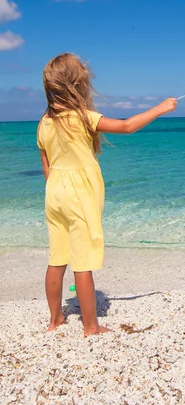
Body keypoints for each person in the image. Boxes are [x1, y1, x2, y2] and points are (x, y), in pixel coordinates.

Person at [37, 53, 177, 337]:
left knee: (57, 258)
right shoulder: (83, 118)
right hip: (78, 197)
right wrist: (160, 108)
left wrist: (60, 191)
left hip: (54, 194)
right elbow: (126, 127)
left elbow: (47, 169)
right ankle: (91, 326)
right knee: (83, 261)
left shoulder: (44, 123)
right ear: (78, 85)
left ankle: (55, 320)